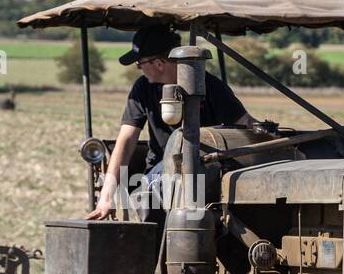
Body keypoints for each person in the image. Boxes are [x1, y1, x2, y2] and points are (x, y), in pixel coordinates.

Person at [87, 24, 254, 220]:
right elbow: (126, 139)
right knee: (157, 187)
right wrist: (107, 196)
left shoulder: (211, 86)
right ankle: (159, 245)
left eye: (140, 63)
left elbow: (246, 123)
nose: (139, 69)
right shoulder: (142, 89)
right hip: (160, 169)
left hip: (208, 171)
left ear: (159, 63)